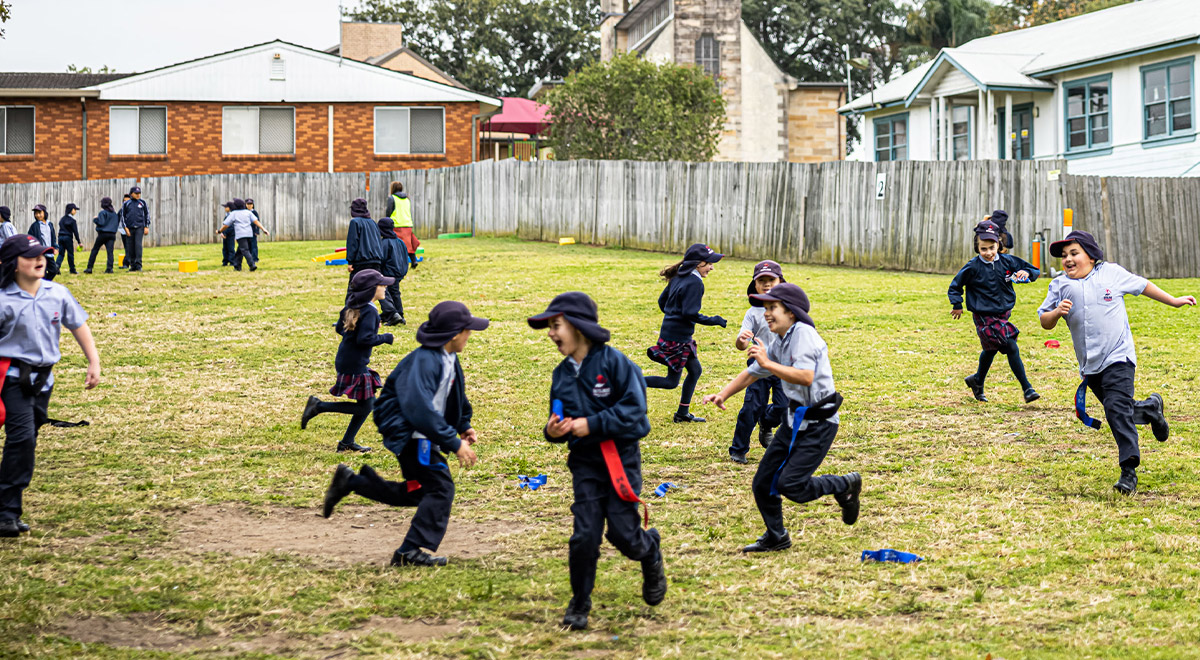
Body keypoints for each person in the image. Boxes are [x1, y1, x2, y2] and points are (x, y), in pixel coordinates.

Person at [529, 292, 666, 631]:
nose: (550, 332)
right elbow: (556, 419)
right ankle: (579, 602)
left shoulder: (616, 364)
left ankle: (649, 550)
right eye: (549, 327)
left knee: (623, 535)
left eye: (556, 325)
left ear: (578, 327)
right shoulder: (561, 375)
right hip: (586, 464)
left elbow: (637, 415)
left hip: (621, 461)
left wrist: (592, 424)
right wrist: (553, 430)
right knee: (584, 535)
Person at [322, 300, 489, 568]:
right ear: (455, 333)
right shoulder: (424, 362)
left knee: (419, 492)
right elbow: (418, 409)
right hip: (412, 434)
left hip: (422, 431)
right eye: (468, 330)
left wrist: (463, 424)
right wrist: (454, 442)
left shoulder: (448, 358)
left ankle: (352, 483)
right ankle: (409, 552)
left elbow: (455, 396)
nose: (470, 335)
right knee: (440, 489)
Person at [701, 283, 861, 553]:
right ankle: (777, 536)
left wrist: (767, 363)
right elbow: (753, 373)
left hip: (819, 424)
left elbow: (805, 376)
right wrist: (723, 394)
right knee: (763, 482)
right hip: (793, 420)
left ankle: (845, 485)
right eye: (765, 308)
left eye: (772, 307)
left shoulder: (804, 334)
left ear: (792, 312)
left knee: (792, 486)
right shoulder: (780, 340)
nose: (766, 314)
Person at [1037, 230, 1194, 495]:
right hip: (1091, 364)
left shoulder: (1111, 273)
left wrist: (1174, 301)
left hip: (1119, 357)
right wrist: (1056, 312)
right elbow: (1044, 321)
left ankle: (1128, 470)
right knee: (1119, 410)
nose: (1068, 259)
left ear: (1091, 255)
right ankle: (1151, 409)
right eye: (1064, 256)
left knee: (1115, 409)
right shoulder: (1061, 285)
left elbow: (1143, 285)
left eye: (1074, 253)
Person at [0, 234, 101, 537]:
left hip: (44, 381)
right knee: (21, 438)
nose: (39, 260)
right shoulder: (3, 299)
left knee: (28, 438)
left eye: (41, 254)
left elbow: (78, 325)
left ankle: (8, 506)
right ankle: (7, 511)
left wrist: (93, 362)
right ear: (12, 264)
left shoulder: (57, 293)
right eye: (30, 256)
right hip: (12, 378)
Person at [301, 269, 395, 453]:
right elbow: (364, 339)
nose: (385, 287)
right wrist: (385, 337)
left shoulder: (352, 306)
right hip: (354, 363)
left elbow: (340, 329)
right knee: (366, 406)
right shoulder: (370, 312)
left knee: (366, 405)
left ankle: (346, 443)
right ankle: (318, 406)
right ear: (371, 289)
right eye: (382, 284)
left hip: (348, 359)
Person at [948, 222, 1041, 404]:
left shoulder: (1008, 261)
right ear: (977, 247)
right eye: (984, 249)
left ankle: (977, 381)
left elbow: (1034, 271)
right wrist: (957, 303)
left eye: (992, 248)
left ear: (998, 244)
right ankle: (1027, 388)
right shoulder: (972, 267)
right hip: (983, 316)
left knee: (990, 350)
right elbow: (955, 285)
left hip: (1003, 313)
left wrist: (1024, 273)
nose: (989, 252)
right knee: (1011, 345)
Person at [644, 243, 727, 423]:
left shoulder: (679, 276)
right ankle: (632, 381)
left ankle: (682, 414)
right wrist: (715, 320)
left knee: (695, 370)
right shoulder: (695, 282)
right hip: (678, 339)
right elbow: (690, 313)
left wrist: (672, 317)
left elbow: (662, 301)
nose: (712, 268)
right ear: (699, 264)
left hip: (672, 334)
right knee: (671, 382)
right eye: (709, 264)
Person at [729, 260, 788, 464]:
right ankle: (738, 449)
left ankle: (767, 422)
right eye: (761, 280)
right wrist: (741, 340)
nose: (767, 284)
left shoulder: (789, 308)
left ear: (781, 281)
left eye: (771, 279)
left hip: (783, 368)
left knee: (783, 407)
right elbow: (741, 345)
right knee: (751, 408)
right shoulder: (753, 312)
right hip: (758, 366)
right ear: (755, 285)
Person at [216, 199, 268, 272]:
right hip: (249, 234)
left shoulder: (234, 213)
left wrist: (219, 231)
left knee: (245, 250)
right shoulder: (248, 212)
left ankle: (252, 265)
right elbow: (256, 221)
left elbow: (226, 225)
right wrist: (263, 229)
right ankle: (237, 266)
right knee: (240, 251)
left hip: (241, 234)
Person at [377, 217, 408, 326]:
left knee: (386, 293)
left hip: (389, 273)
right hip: (399, 272)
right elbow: (406, 256)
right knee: (395, 293)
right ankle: (397, 315)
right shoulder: (400, 241)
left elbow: (382, 259)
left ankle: (395, 314)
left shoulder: (384, 243)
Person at [345, 198, 383, 282]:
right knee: (375, 288)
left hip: (361, 262)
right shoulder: (373, 222)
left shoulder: (355, 222)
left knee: (355, 290)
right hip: (376, 261)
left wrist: (350, 261)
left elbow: (352, 243)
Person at [384, 181, 419, 269]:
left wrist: (387, 221)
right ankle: (414, 260)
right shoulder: (407, 199)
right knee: (409, 244)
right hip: (407, 224)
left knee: (397, 245)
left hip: (397, 224)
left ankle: (399, 263)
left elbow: (389, 211)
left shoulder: (392, 198)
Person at [84, 197, 120, 274]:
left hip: (103, 234)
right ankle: (109, 268)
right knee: (110, 252)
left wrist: (95, 219)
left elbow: (101, 222)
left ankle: (89, 268)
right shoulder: (114, 214)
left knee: (95, 250)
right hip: (112, 234)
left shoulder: (102, 213)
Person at [121, 186, 150, 272]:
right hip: (130, 228)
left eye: (139, 193)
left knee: (138, 246)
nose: (138, 195)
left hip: (139, 227)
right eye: (136, 193)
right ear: (131, 194)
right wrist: (125, 228)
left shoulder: (142, 203)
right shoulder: (126, 204)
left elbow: (147, 214)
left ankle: (138, 265)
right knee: (130, 247)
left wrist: (146, 226)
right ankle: (132, 265)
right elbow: (123, 216)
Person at [27, 205, 58, 281]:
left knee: (54, 270)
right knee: (42, 272)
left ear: (45, 213)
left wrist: (56, 247)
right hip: (41, 254)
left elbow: (53, 238)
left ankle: (46, 283)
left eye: (39, 212)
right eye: (36, 213)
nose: (37, 215)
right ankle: (43, 285)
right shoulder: (34, 226)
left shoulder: (50, 224)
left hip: (49, 253)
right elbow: (30, 238)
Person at [55, 204, 82, 275]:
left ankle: (56, 267)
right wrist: (79, 242)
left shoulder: (62, 219)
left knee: (61, 254)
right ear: (71, 210)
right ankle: (72, 270)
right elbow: (75, 232)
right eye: (75, 210)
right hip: (68, 238)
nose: (75, 211)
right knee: (70, 254)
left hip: (60, 237)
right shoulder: (72, 221)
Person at [116, 194, 131, 269]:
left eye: (127, 201)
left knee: (129, 247)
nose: (125, 203)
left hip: (131, 231)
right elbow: (116, 219)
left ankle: (126, 263)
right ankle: (129, 262)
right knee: (127, 247)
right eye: (124, 201)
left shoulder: (132, 210)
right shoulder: (121, 210)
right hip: (123, 231)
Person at [219, 201, 236, 267]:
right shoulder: (227, 216)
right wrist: (222, 232)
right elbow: (224, 225)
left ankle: (232, 261)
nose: (225, 208)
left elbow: (230, 226)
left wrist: (225, 233)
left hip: (230, 235)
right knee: (225, 248)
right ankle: (225, 261)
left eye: (226, 207)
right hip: (225, 234)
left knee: (231, 248)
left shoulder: (231, 216)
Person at [246, 198, 263, 263]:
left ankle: (255, 258)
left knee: (254, 245)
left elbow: (257, 222)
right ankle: (250, 258)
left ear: (253, 205)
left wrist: (257, 231)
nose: (249, 205)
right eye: (248, 204)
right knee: (248, 246)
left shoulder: (254, 212)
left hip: (253, 232)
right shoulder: (245, 212)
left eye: (250, 204)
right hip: (246, 231)